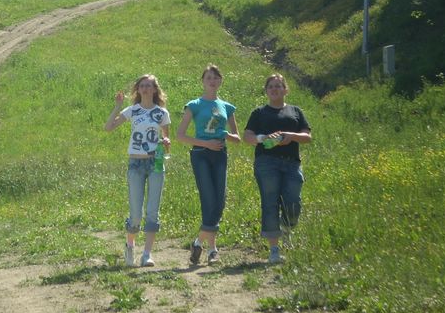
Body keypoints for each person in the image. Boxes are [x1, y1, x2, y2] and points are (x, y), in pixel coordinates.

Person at [243, 73, 311, 264]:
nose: (274, 89)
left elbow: (307, 136)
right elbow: (247, 137)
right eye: (271, 86)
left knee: (293, 201)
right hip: (266, 162)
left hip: (291, 163)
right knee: (270, 202)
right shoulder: (259, 113)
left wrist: (291, 135)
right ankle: (274, 249)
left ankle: (287, 227)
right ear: (266, 91)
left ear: (285, 90)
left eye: (278, 86)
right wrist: (263, 139)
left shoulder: (295, 111)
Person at [176, 64, 241, 266]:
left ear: (220, 81)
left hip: (220, 155)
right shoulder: (194, 105)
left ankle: (198, 242)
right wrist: (206, 143)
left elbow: (237, 138)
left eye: (215, 78)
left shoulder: (227, 107)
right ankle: (213, 250)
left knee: (219, 201)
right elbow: (180, 135)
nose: (212, 81)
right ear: (203, 82)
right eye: (208, 78)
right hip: (201, 154)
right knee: (208, 199)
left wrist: (225, 135)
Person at [105, 74, 171, 268]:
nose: (145, 89)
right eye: (142, 86)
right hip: (135, 163)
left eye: (149, 86)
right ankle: (130, 246)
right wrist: (117, 106)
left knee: (152, 210)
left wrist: (166, 142)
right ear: (138, 89)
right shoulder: (132, 110)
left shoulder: (162, 113)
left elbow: (167, 141)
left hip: (156, 163)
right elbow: (108, 127)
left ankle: (147, 254)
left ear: (155, 90)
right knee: (136, 213)